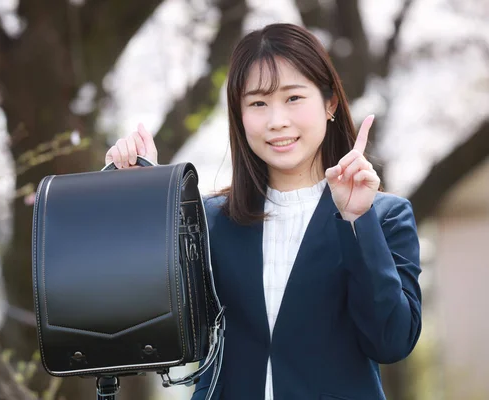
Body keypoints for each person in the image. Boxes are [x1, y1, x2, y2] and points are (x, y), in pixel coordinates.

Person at [105, 23, 422, 400]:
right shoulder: (210, 219)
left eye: (293, 98)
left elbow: (391, 341)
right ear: (239, 115)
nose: (276, 121)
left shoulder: (384, 216)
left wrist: (357, 221)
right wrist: (142, 198)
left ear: (330, 103)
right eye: (258, 103)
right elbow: (150, 326)